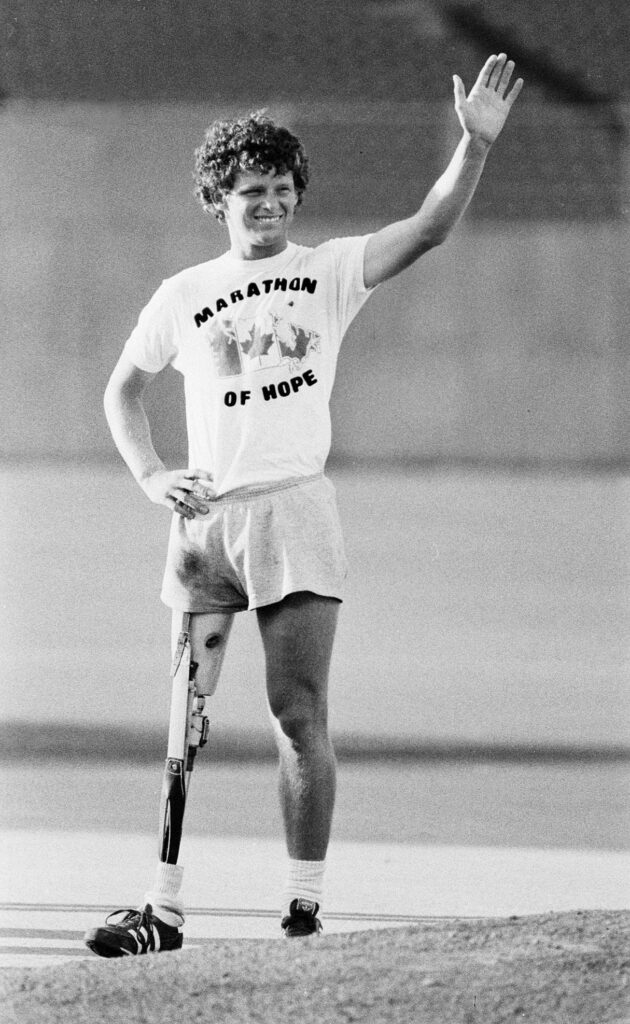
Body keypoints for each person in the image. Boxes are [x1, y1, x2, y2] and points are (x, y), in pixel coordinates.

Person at [84, 54, 522, 956]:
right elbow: (123, 391)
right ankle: (161, 910)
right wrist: (151, 475)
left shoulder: (329, 272)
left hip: (295, 514)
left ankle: (303, 911)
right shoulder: (184, 294)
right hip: (207, 523)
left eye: (283, 187)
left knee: (299, 714)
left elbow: (430, 229)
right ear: (220, 198)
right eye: (252, 191)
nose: (271, 203)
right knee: (184, 723)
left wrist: (472, 149)